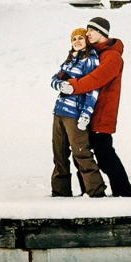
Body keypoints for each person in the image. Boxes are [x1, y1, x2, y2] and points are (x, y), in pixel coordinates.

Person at [65, 16, 131, 197]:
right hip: (85, 112)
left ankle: (125, 193)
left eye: (91, 30)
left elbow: (96, 80)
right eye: (87, 30)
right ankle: (90, 192)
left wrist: (72, 86)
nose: (87, 34)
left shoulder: (112, 57)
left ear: (102, 32)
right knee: (81, 154)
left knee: (104, 156)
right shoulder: (92, 53)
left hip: (102, 113)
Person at [48, 29, 105, 197]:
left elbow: (94, 88)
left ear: (86, 41)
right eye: (74, 38)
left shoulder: (91, 60)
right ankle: (60, 192)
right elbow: (53, 79)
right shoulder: (70, 59)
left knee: (82, 154)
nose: (77, 41)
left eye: (81, 38)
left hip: (75, 114)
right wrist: (59, 85)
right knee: (59, 154)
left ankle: (96, 192)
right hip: (59, 112)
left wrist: (86, 113)